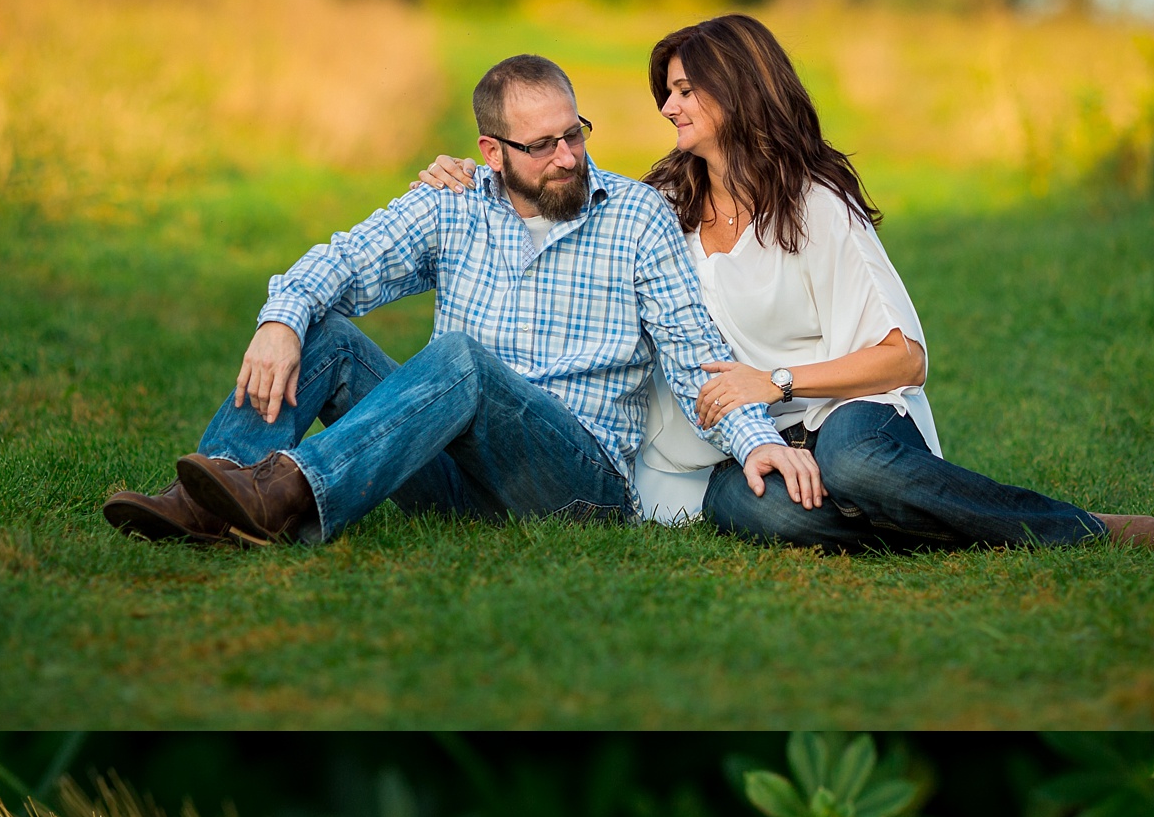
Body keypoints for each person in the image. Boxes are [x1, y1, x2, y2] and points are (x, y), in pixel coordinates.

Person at [414, 16, 1154, 554]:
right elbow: (558, 195)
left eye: (685, 90)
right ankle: (936, 527)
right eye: (667, 91)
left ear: (739, 92)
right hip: (737, 449)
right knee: (781, 522)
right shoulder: (659, 207)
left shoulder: (816, 206)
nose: (667, 106)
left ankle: (1079, 528)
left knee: (855, 468)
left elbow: (903, 359)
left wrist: (773, 382)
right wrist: (468, 176)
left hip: (845, 414)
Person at [101, 53, 821, 547]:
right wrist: (280, 319)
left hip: (575, 487)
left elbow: (696, 355)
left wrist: (758, 441)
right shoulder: (452, 203)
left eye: (575, 134)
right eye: (541, 145)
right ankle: (207, 506)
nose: (567, 157)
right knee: (322, 333)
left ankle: (284, 492)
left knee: (463, 362)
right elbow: (345, 259)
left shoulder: (636, 217)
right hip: (454, 477)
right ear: (491, 150)